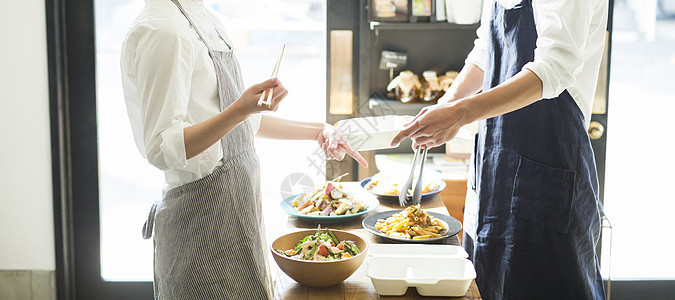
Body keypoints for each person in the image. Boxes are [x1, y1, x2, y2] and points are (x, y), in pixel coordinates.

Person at [120, 0, 367, 298]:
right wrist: (240, 109)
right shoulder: (161, 29)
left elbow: (244, 124)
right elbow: (162, 147)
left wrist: (319, 130)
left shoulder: (202, 18)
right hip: (200, 224)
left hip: (239, 212)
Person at [391, 0, 608, 299]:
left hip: (550, 162)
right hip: (495, 158)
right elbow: (486, 50)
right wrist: (446, 105)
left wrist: (460, 114)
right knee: (488, 281)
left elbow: (554, 67)